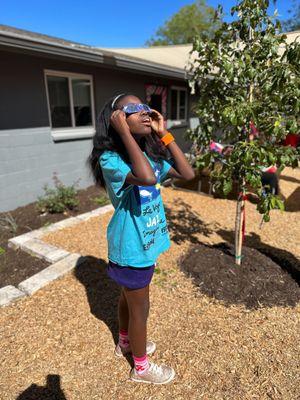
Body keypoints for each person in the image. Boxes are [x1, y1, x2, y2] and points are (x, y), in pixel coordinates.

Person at [87, 93, 195, 385]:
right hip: (131, 246)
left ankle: (125, 342)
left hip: (144, 242)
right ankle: (141, 368)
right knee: (140, 309)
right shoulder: (111, 159)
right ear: (117, 118)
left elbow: (187, 172)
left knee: (128, 298)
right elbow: (146, 178)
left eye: (147, 108)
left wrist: (164, 134)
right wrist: (122, 132)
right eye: (135, 110)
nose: (146, 113)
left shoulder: (148, 154)